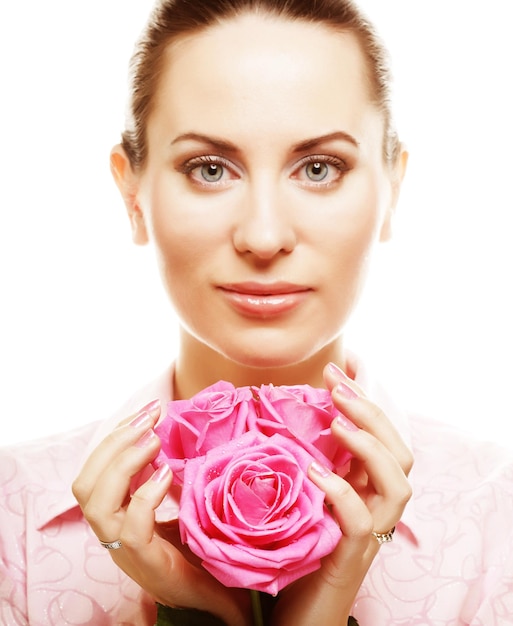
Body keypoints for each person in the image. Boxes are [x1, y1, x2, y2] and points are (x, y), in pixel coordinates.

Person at [1, 0, 512, 624]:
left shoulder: (498, 518)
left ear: (391, 190)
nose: (264, 236)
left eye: (319, 168)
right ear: (133, 194)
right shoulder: (14, 518)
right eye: (210, 169)